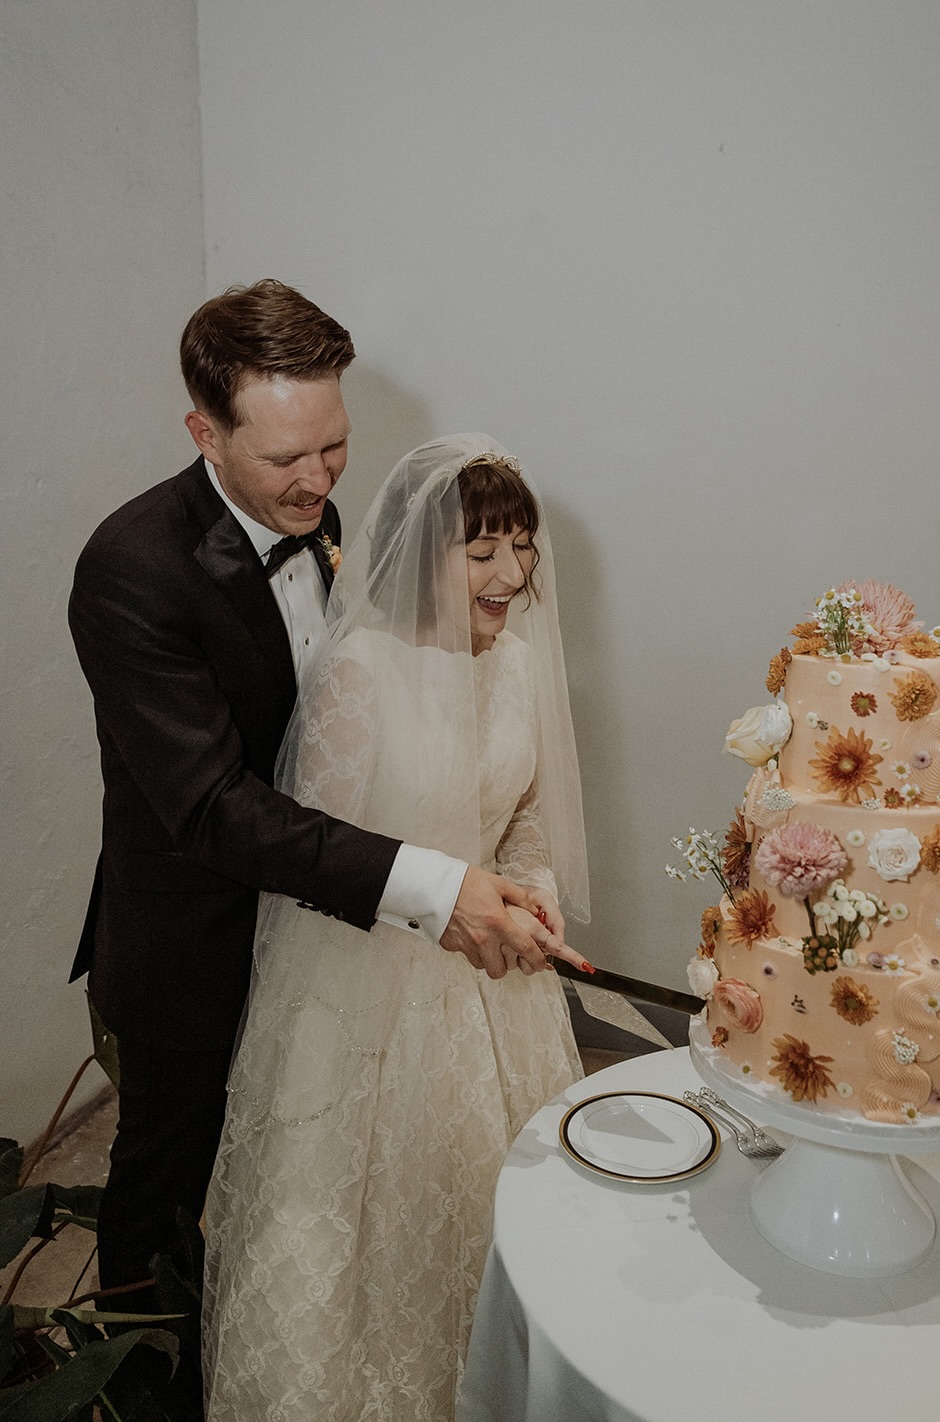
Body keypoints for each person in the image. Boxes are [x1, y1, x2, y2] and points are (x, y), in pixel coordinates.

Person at [67, 283, 585, 1321]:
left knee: (305, 1175)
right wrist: (438, 887)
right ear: (203, 432)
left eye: (333, 448)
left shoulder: (320, 521)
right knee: (164, 1190)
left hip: (330, 924)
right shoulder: (131, 569)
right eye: (283, 458)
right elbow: (213, 806)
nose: (316, 482)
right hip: (196, 930)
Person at [201, 435, 590, 1422]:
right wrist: (445, 906)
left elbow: (524, 823)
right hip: (368, 975)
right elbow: (314, 858)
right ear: (423, 556)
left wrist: (531, 889)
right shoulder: (360, 673)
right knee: (361, 1237)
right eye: (483, 550)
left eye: (523, 546)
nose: (513, 575)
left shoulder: (512, 668)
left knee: (502, 1216)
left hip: (497, 981)